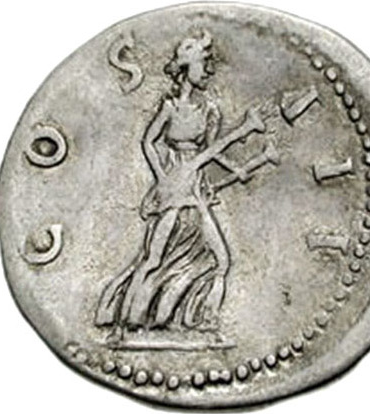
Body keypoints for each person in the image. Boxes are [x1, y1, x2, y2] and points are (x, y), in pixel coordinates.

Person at [95, 30, 264, 339]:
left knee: (220, 261)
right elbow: (148, 142)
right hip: (173, 187)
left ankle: (203, 323)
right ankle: (121, 325)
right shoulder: (170, 107)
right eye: (204, 63)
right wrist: (163, 179)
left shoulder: (210, 110)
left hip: (195, 189)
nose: (209, 70)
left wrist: (236, 168)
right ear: (186, 67)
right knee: (152, 259)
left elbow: (209, 152)